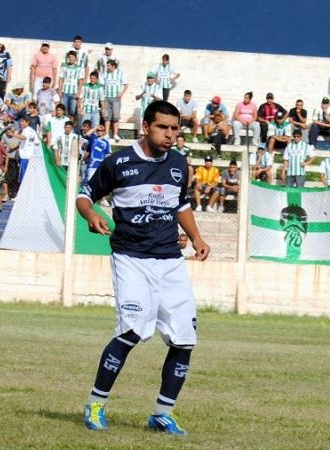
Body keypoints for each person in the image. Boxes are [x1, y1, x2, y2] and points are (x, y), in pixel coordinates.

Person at [78, 100, 210, 435]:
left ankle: (162, 414)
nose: (169, 135)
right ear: (146, 127)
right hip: (132, 259)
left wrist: (196, 237)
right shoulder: (119, 162)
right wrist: (91, 214)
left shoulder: (179, 163)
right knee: (131, 332)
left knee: (184, 338)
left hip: (170, 261)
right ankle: (95, 404)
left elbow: (181, 204)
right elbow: (84, 194)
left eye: (174, 129)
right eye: (162, 128)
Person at [8, 115, 38, 184]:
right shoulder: (33, 131)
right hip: (31, 156)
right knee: (29, 176)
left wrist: (13, 134)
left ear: (27, 122)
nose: (21, 123)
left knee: (23, 176)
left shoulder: (26, 130)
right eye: (21, 121)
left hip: (25, 156)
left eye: (23, 121)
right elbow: (36, 143)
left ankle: (22, 192)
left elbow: (24, 138)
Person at [103, 60, 128, 143]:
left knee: (116, 116)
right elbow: (102, 85)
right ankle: (106, 134)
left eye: (109, 66)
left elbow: (126, 84)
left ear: (114, 66)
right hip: (107, 97)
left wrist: (121, 93)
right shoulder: (104, 73)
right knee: (107, 116)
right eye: (107, 66)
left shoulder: (120, 73)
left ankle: (115, 134)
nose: (108, 67)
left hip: (116, 98)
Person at [58, 51, 83, 118]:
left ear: (75, 58)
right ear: (68, 58)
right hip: (65, 92)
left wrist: (78, 92)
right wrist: (60, 91)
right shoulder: (64, 66)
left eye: (73, 57)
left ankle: (71, 126)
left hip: (74, 93)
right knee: (64, 110)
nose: (71, 58)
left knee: (72, 111)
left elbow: (80, 81)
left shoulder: (79, 68)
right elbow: (61, 79)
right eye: (70, 57)